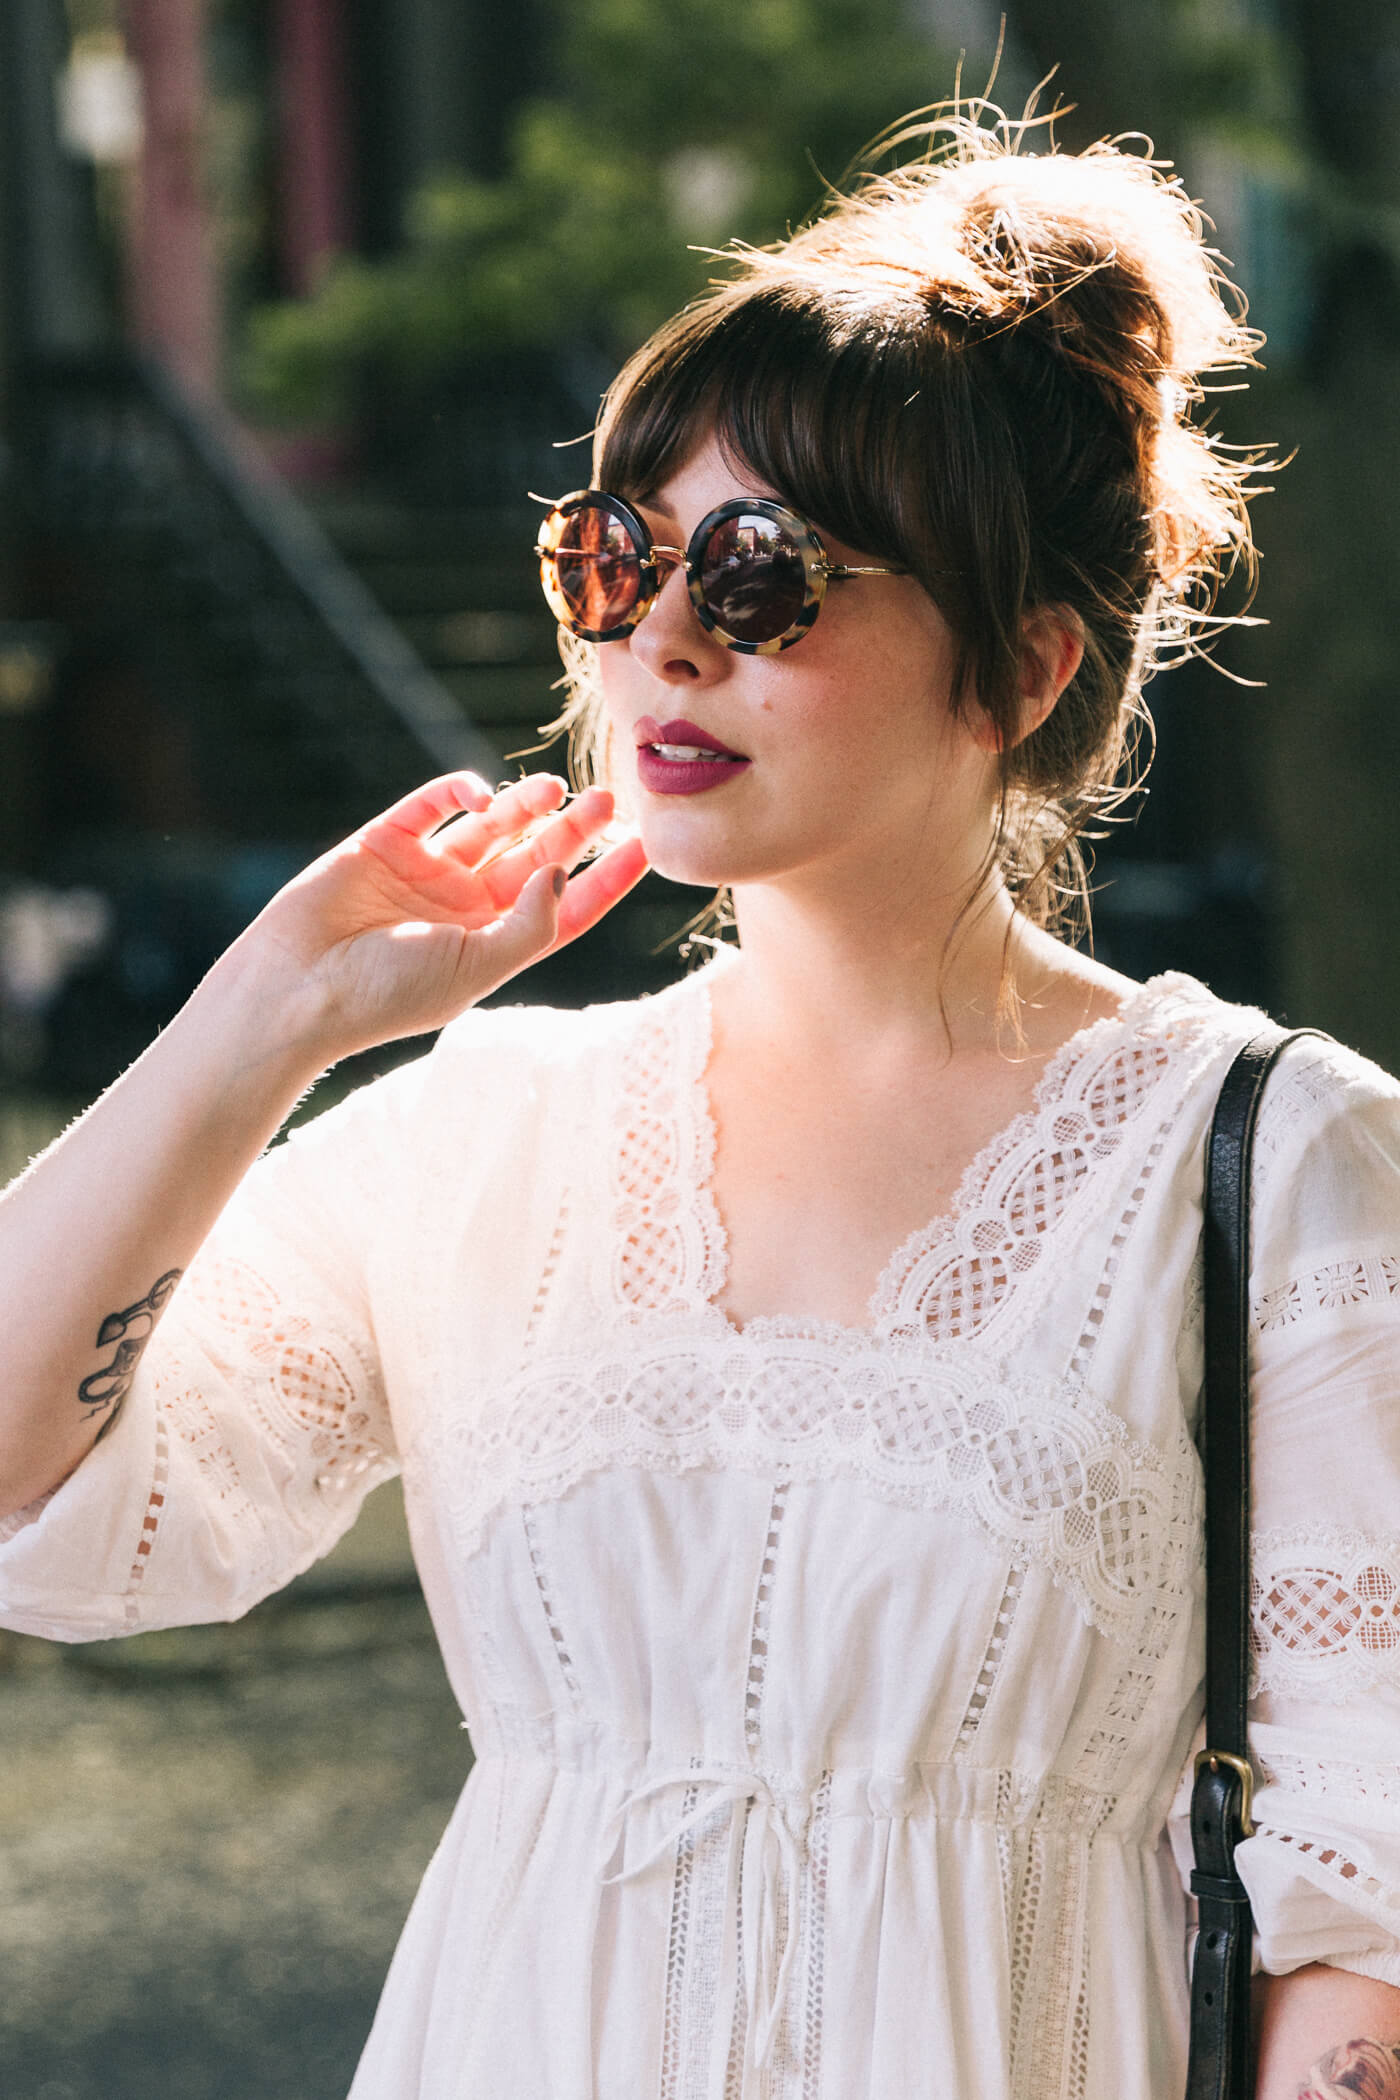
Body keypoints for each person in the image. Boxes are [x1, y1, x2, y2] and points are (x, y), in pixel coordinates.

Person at [2, 109, 1399, 2100]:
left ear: (1015, 668)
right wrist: (260, 1028)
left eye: (758, 575)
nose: (658, 634)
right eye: (617, 553)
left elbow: (1363, 1902)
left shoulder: (1273, 1162)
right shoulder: (484, 1141)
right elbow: (33, 1503)